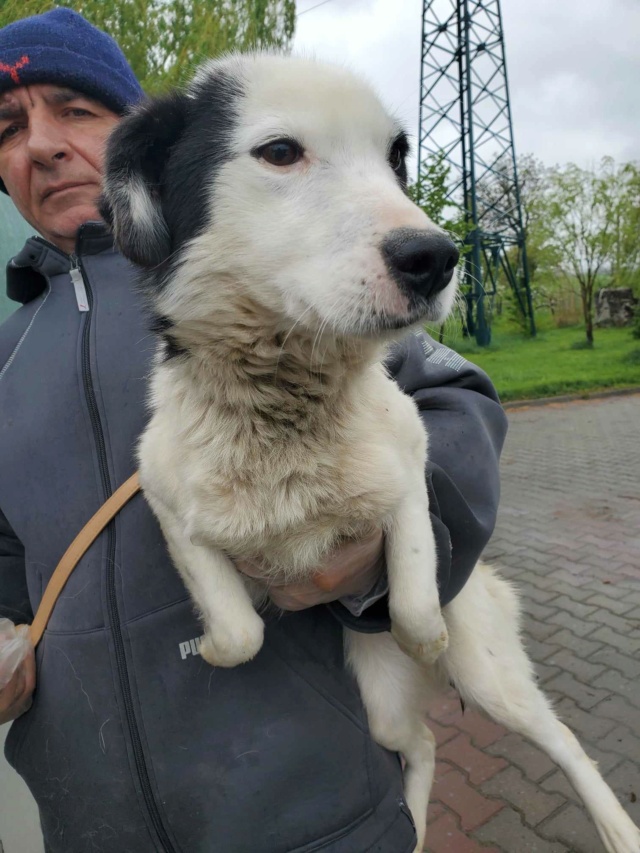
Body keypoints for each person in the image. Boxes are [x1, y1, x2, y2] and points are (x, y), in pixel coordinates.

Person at [0, 8, 508, 852]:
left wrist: (386, 556)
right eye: (9, 126)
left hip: (316, 813)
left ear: (141, 143)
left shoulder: (270, 273)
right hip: (93, 824)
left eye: (75, 111)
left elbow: (456, 408)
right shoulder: (5, 357)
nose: (41, 144)